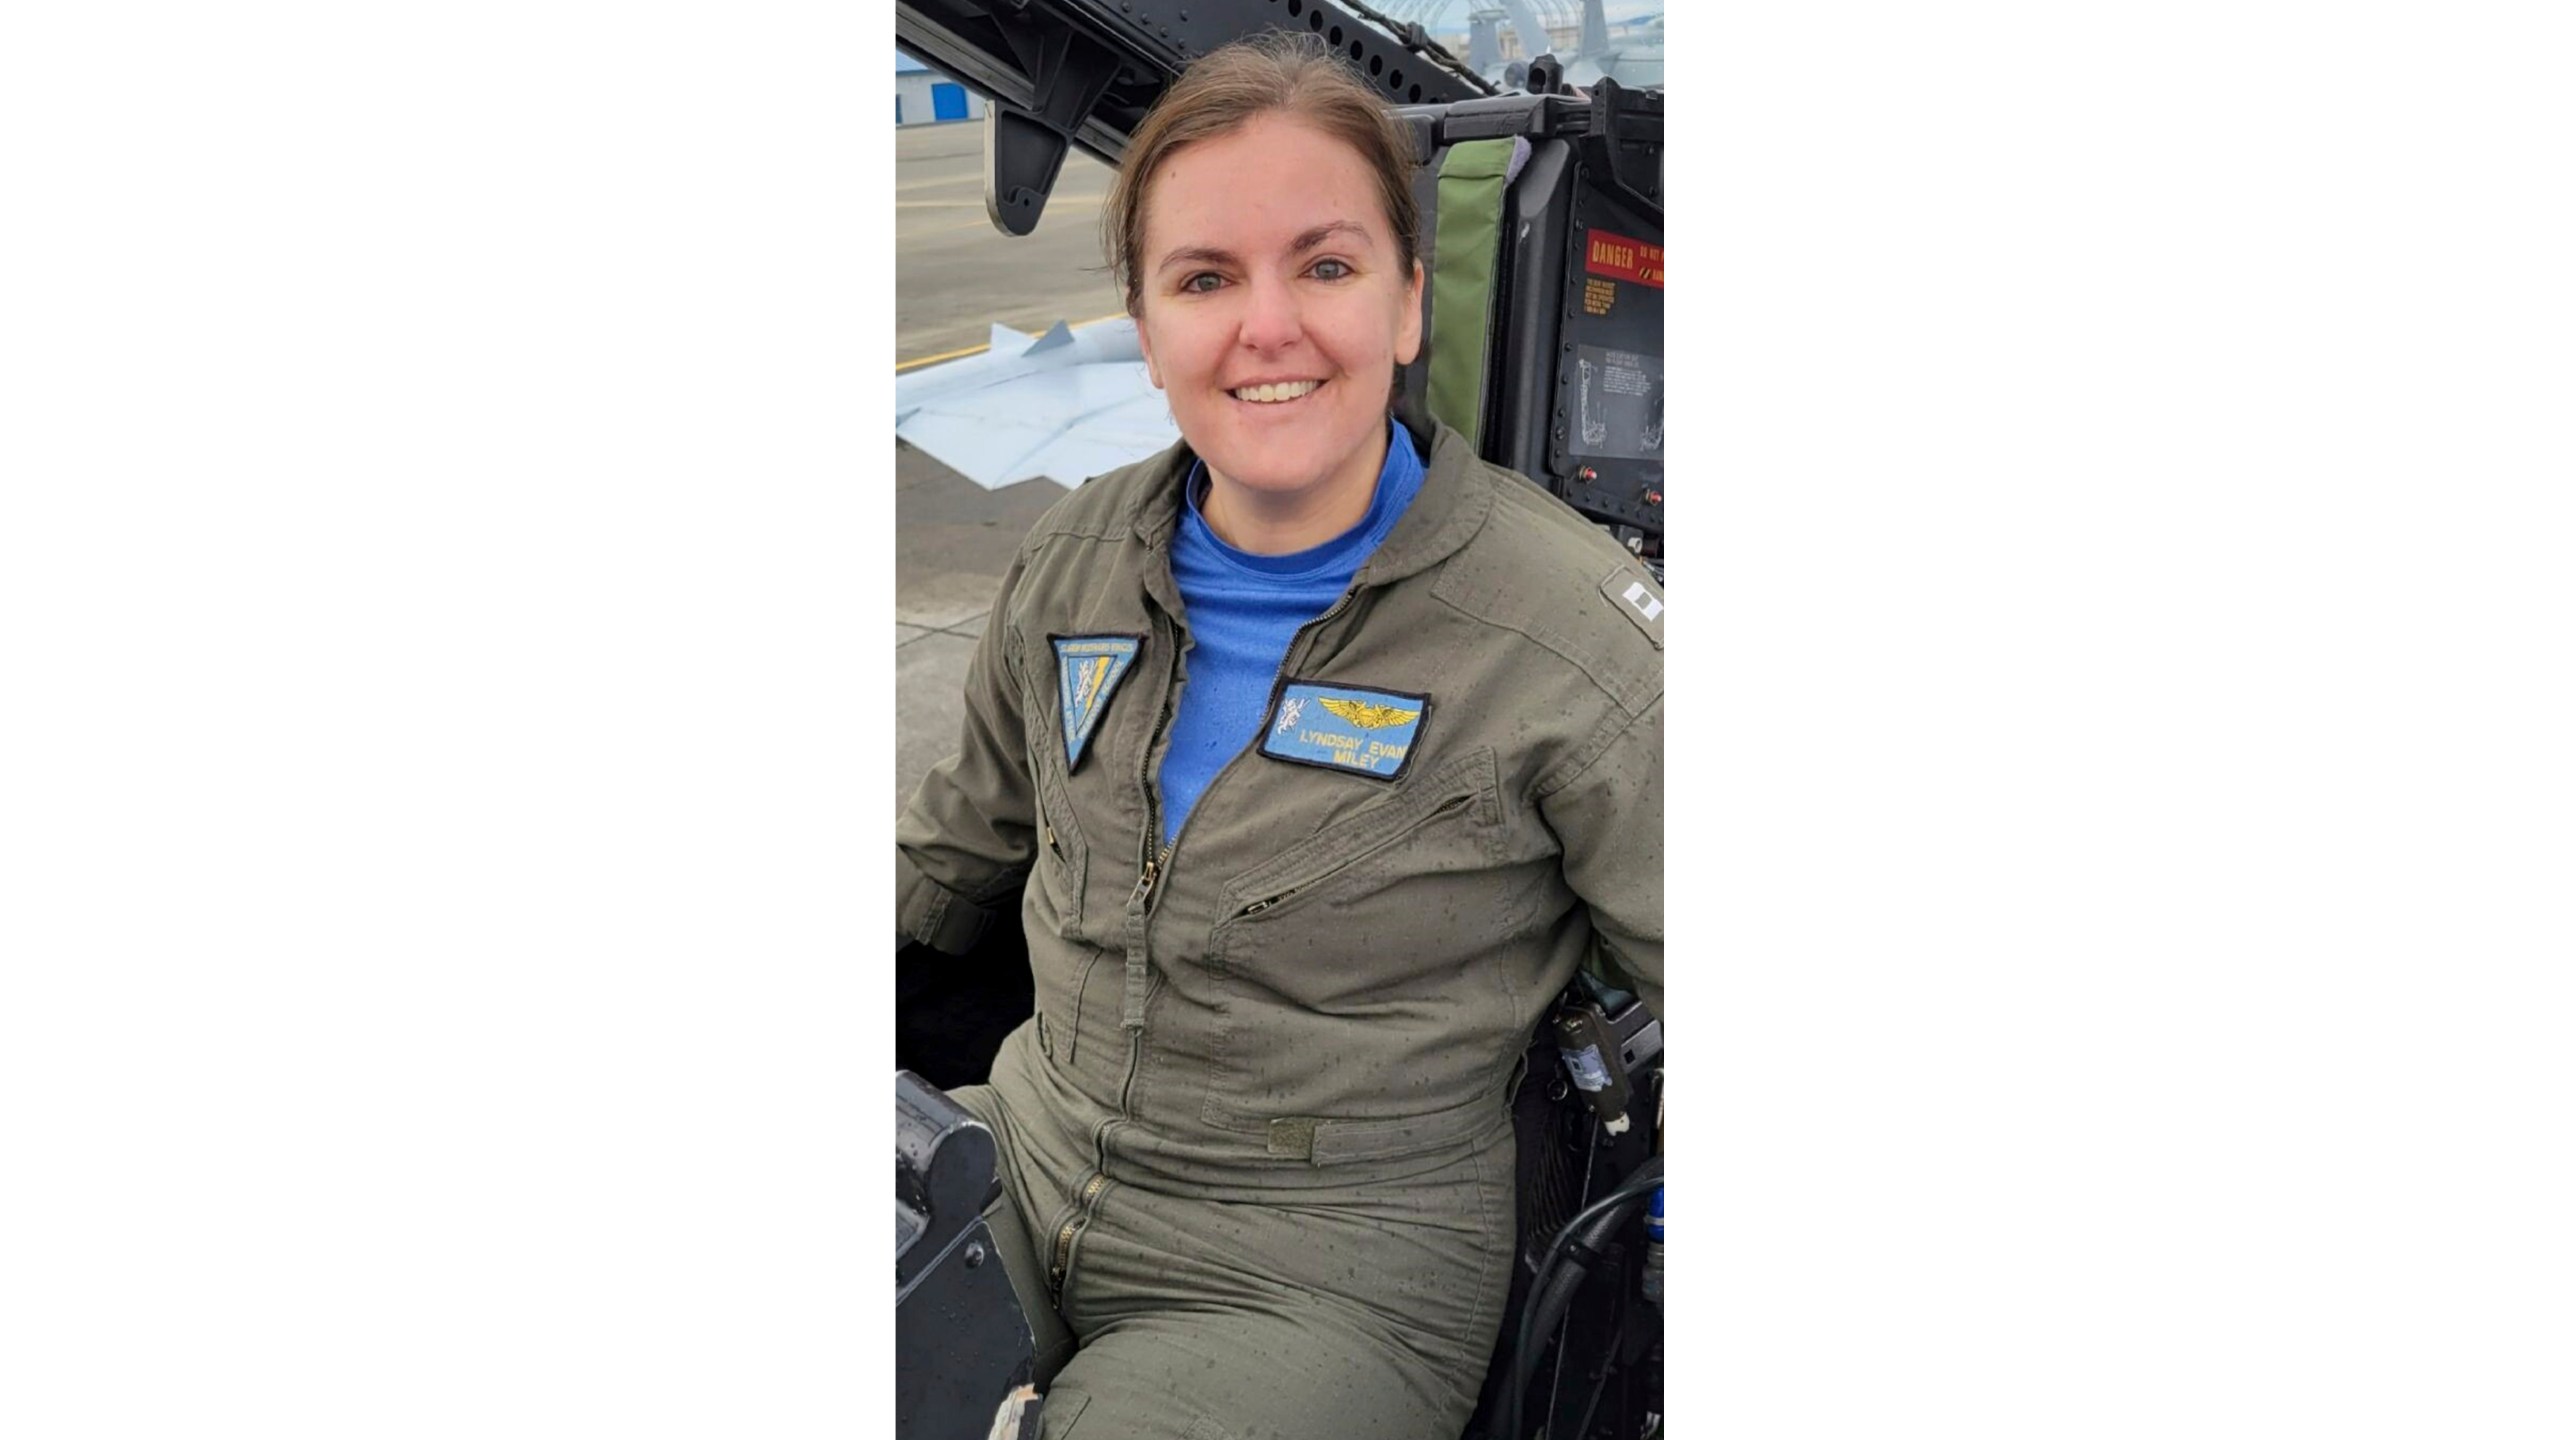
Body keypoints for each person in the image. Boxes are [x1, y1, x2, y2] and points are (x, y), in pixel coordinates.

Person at [895, 32, 1663, 1440]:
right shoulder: (1074, 560)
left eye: (1326, 266)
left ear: (1410, 304)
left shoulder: (1569, 643)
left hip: (1318, 1276)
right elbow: (952, 859)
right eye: (1205, 278)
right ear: (1145, 324)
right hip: (1019, 1153)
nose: (1269, 327)